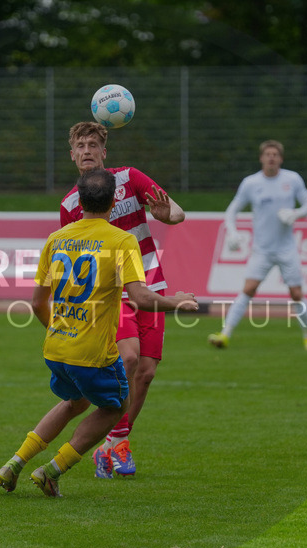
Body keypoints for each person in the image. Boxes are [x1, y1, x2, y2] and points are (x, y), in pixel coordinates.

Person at [0, 168, 198, 497]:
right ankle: (52, 470)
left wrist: (60, 330)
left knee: (73, 403)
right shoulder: (121, 240)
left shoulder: (56, 239)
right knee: (116, 407)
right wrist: (178, 302)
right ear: (114, 200)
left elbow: (36, 303)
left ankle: (14, 463)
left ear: (80, 198)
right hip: (92, 352)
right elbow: (141, 298)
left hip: (56, 348)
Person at [59, 121, 186, 479]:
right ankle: (116, 438)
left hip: (150, 285)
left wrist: (167, 217)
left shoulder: (130, 178)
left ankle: (114, 442)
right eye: (80, 145)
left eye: (92, 145)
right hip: (111, 296)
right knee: (128, 356)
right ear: (72, 155)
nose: (86, 150)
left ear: (104, 152)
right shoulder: (70, 204)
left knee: (145, 373)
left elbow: (175, 211)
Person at [208, 139, 307, 351]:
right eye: (268, 154)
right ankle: (225, 334)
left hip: (287, 249)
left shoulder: (292, 179)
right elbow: (232, 211)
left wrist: (295, 213)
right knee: (248, 289)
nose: (271, 158)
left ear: (281, 159)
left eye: (275, 155)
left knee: (296, 293)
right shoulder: (251, 183)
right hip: (262, 250)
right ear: (261, 158)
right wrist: (232, 231)